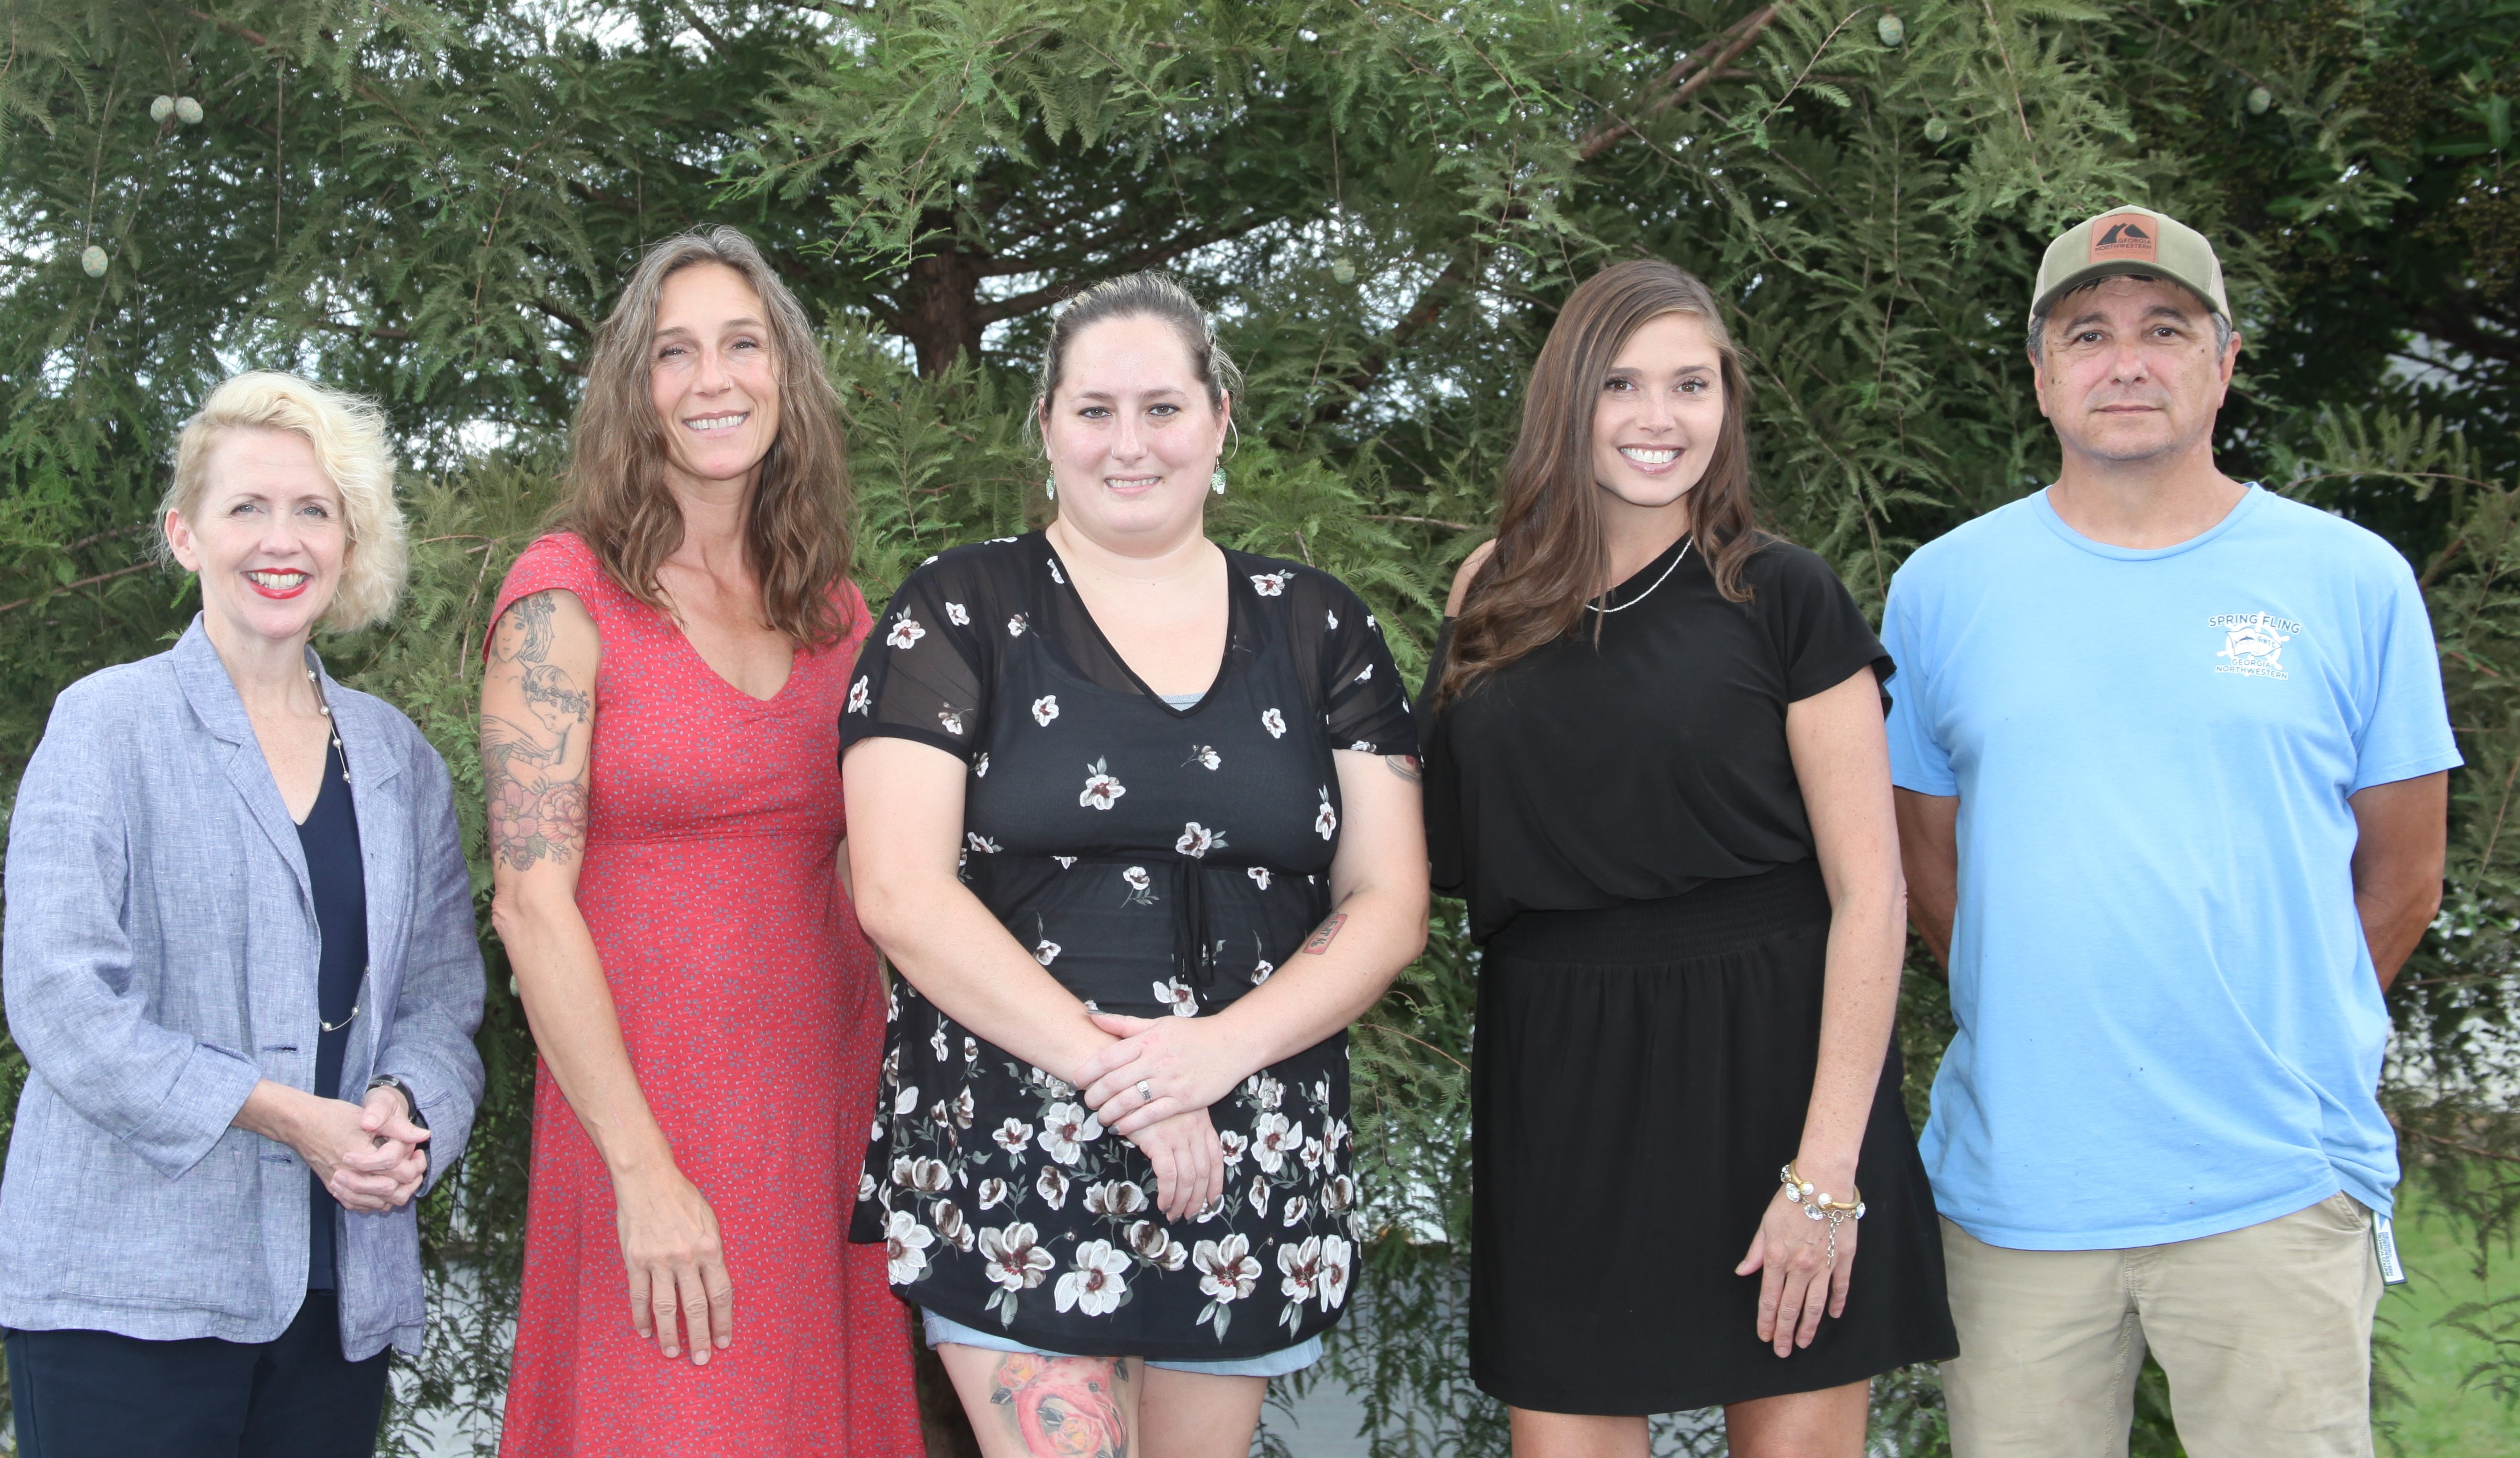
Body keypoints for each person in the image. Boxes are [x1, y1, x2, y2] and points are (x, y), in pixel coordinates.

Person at [1882, 206, 2459, 1458]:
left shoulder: (2352, 582)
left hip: (2273, 1185)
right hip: (2020, 1194)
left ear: (2225, 360)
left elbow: (2406, 876)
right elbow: (1928, 871)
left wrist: (2286, 1032)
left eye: (2164, 328)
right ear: (2041, 377)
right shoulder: (1942, 592)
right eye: (2087, 334)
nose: (2126, 361)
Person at [841, 272, 1430, 1457]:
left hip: (1253, 1137)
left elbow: (1388, 900)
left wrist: (1215, 1055)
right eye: (1095, 409)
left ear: (1220, 419)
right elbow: (900, 894)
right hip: (1015, 1135)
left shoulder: (1323, 628)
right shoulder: (953, 612)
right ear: (1047, 427)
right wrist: (1134, 1084)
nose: (1130, 443)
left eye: (1163, 408)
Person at [1416, 259, 1958, 1457]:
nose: (1659, 418)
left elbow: (1874, 892)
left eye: (1691, 384)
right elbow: (1433, 849)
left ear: (1727, 404)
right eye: (1622, 384)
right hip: (1559, 1080)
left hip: (1776, 1077)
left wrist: (1826, 1173)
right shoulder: (1489, 595)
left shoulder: (1784, 595)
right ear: (1569, 400)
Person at [0, 371, 487, 1458]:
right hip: (124, 1297)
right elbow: (62, 999)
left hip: (332, 1302)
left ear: (349, 542)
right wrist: (286, 1113)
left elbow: (446, 1002)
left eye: (315, 509)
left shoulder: (399, 757)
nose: (283, 539)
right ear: (184, 533)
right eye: (247, 507)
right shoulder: (105, 723)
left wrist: (404, 1111)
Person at [488, 227, 920, 1453]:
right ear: (637, 388)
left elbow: (881, 883)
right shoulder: (563, 597)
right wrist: (641, 1170)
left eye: (743, 344)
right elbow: (529, 905)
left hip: (821, 1123)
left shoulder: (837, 612)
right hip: (648, 1118)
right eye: (675, 353)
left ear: (788, 376)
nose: (712, 379)